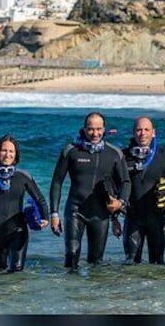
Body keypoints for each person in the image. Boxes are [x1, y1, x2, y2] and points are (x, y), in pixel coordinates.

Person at [49, 112, 131, 270]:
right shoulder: (71, 151)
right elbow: (57, 182)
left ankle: (93, 295)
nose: (95, 133)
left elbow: (125, 182)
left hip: (100, 214)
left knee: (96, 262)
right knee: (72, 255)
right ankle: (71, 292)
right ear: (84, 129)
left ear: (104, 129)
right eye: (91, 129)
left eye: (99, 129)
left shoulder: (114, 153)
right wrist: (54, 214)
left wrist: (120, 204)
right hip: (75, 210)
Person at [0, 134, 50, 272]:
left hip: (18, 231)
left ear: (16, 155)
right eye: (4, 150)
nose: (7, 155)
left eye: (11, 151)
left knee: (17, 271)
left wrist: (45, 218)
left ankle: (16, 294)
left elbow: (40, 199)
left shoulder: (23, 176)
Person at [120, 116, 165, 264]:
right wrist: (114, 213)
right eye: (138, 130)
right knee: (130, 262)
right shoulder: (123, 156)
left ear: (153, 132)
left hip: (157, 218)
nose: (142, 133)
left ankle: (156, 288)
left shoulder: (164, 155)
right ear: (133, 133)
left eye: (146, 130)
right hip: (133, 217)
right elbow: (110, 182)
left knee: (157, 263)